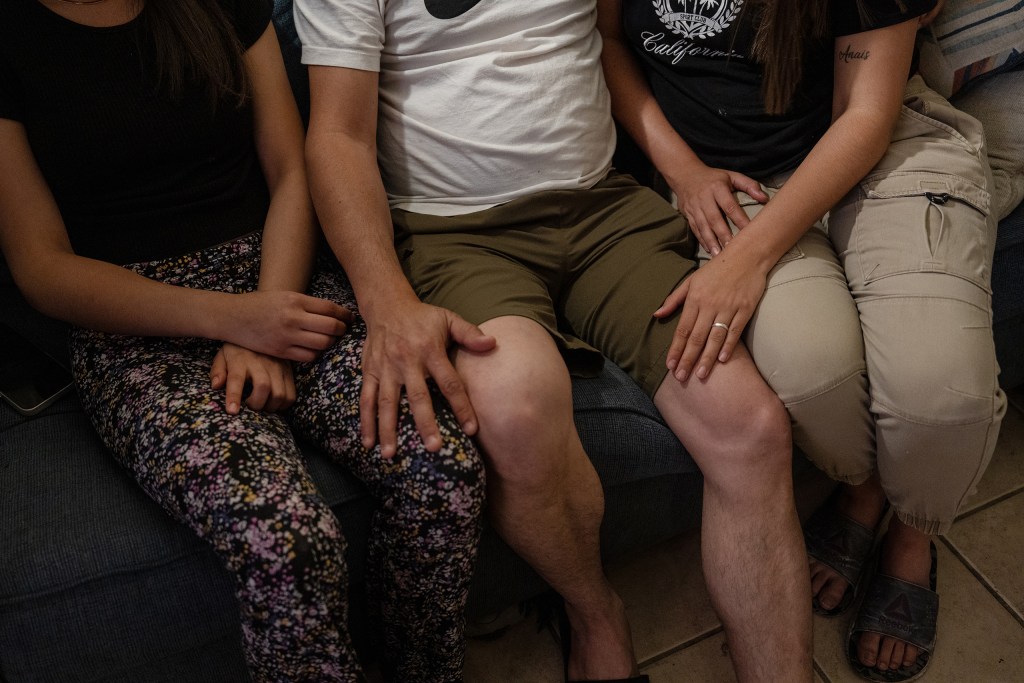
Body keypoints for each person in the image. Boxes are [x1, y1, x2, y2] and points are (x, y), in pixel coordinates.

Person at [295, 1, 813, 681]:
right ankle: (594, 610)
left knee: (751, 426)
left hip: (605, 208)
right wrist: (386, 301)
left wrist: (681, 168)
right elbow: (336, 136)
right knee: (514, 404)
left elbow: (610, 38)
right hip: (456, 232)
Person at [0, 1, 486, 681]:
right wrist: (230, 320)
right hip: (139, 330)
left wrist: (262, 316)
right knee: (286, 540)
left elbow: (291, 171)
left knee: (443, 470)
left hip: (276, 279)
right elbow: (41, 267)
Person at [596, 0, 1006, 680]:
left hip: (874, 142)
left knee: (941, 396)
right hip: (728, 179)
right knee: (814, 372)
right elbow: (607, 38)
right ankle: (865, 487)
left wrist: (749, 258)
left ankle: (913, 530)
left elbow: (867, 116)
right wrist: (682, 173)